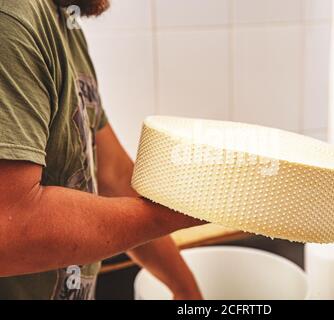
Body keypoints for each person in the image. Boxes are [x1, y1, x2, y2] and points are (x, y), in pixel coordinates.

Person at [0, 0, 204, 300]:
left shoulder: (65, 23)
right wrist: (185, 212)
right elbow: (11, 227)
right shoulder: (12, 19)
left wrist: (186, 292)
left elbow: (115, 176)